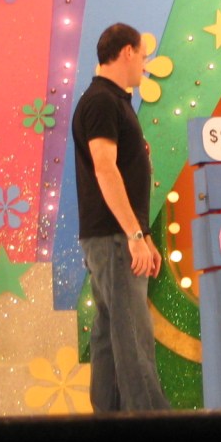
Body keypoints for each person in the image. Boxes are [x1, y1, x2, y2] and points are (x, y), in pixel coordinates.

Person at [72, 23, 170, 412]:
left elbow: (123, 173)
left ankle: (109, 416)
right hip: (113, 235)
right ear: (127, 51)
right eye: (143, 57)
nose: (144, 66)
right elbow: (105, 168)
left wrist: (143, 234)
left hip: (117, 235)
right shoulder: (101, 101)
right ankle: (150, 421)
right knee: (131, 333)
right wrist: (132, 234)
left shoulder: (113, 101)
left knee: (111, 333)